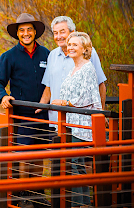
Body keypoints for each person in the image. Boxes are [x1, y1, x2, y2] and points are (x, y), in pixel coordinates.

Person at [0, 13, 50, 208]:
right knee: (24, 154)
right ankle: (23, 193)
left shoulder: (47, 55)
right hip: (22, 115)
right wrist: (3, 96)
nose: (26, 34)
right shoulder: (8, 57)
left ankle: (37, 193)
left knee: (39, 154)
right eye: (22, 30)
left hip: (43, 115)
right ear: (17, 34)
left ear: (35, 32)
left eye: (29, 30)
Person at [51, 32, 102, 207]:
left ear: (84, 49)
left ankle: (81, 205)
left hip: (82, 125)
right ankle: (79, 204)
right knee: (74, 166)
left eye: (75, 45)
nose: (70, 47)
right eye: (69, 44)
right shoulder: (74, 69)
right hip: (70, 123)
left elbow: (85, 99)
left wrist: (63, 102)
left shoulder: (87, 68)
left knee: (76, 165)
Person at [37, 16, 106, 130]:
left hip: (80, 122)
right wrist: (39, 107)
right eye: (55, 33)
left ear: (72, 32)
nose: (58, 36)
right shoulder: (52, 55)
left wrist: (100, 114)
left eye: (62, 32)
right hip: (55, 121)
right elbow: (49, 87)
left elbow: (100, 85)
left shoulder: (88, 54)